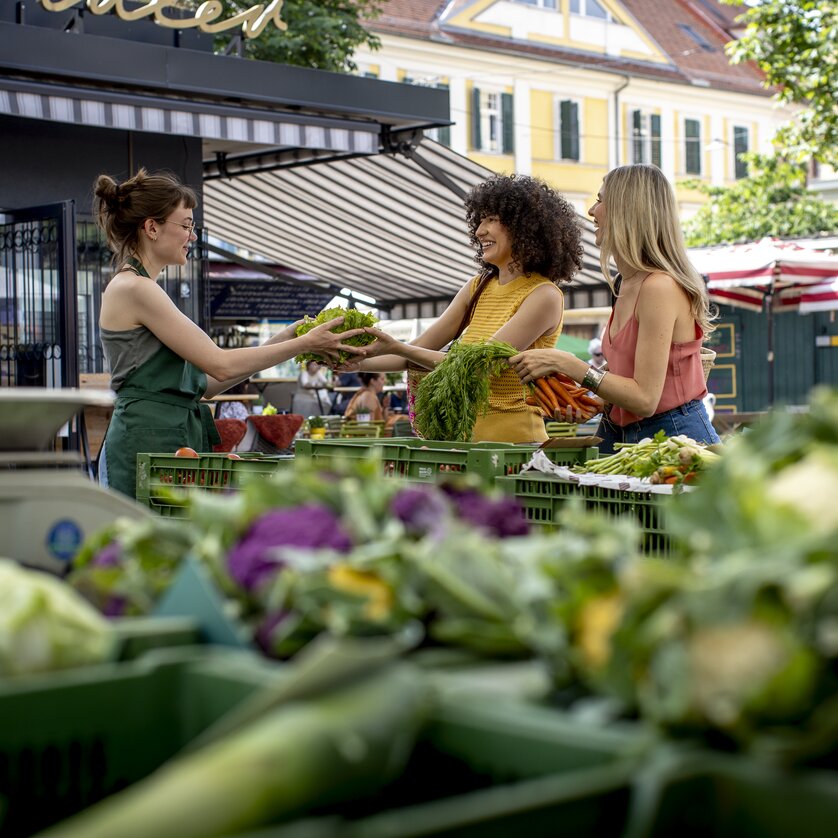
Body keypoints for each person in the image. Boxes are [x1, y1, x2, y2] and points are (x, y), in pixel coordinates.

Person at [93, 168, 371, 498]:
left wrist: (288, 340)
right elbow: (221, 364)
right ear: (151, 227)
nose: (192, 236)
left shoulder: (141, 287)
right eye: (186, 225)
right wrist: (305, 342)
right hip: (143, 444)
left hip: (165, 439)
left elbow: (209, 384)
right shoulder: (136, 288)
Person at [344, 173, 583, 443]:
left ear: (524, 227)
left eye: (492, 219)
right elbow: (418, 350)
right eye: (480, 219)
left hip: (514, 444)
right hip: (462, 442)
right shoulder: (477, 286)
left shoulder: (544, 295)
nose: (480, 230)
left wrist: (396, 346)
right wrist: (353, 362)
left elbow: (473, 367)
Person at [510, 164, 720, 455]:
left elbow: (645, 399)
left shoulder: (659, 287)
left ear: (627, 210)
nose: (592, 211)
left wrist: (568, 364)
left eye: (600, 200)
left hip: (673, 439)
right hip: (616, 434)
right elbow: (629, 378)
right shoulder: (628, 283)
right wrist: (593, 403)